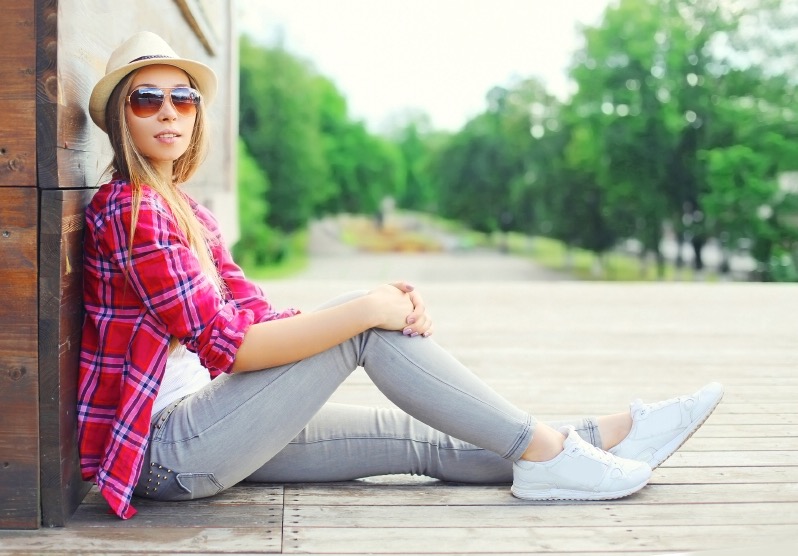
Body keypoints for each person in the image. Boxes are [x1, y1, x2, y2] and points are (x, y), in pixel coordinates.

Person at [78, 32, 724, 520]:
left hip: (215, 426)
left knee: (422, 440)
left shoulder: (187, 212)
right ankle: (555, 456)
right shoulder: (128, 212)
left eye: (183, 98)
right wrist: (367, 312)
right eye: (147, 99)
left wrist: (378, 305)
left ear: (196, 116)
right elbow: (234, 348)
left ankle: (609, 437)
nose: (169, 111)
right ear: (121, 118)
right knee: (366, 325)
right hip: (168, 451)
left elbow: (256, 317)